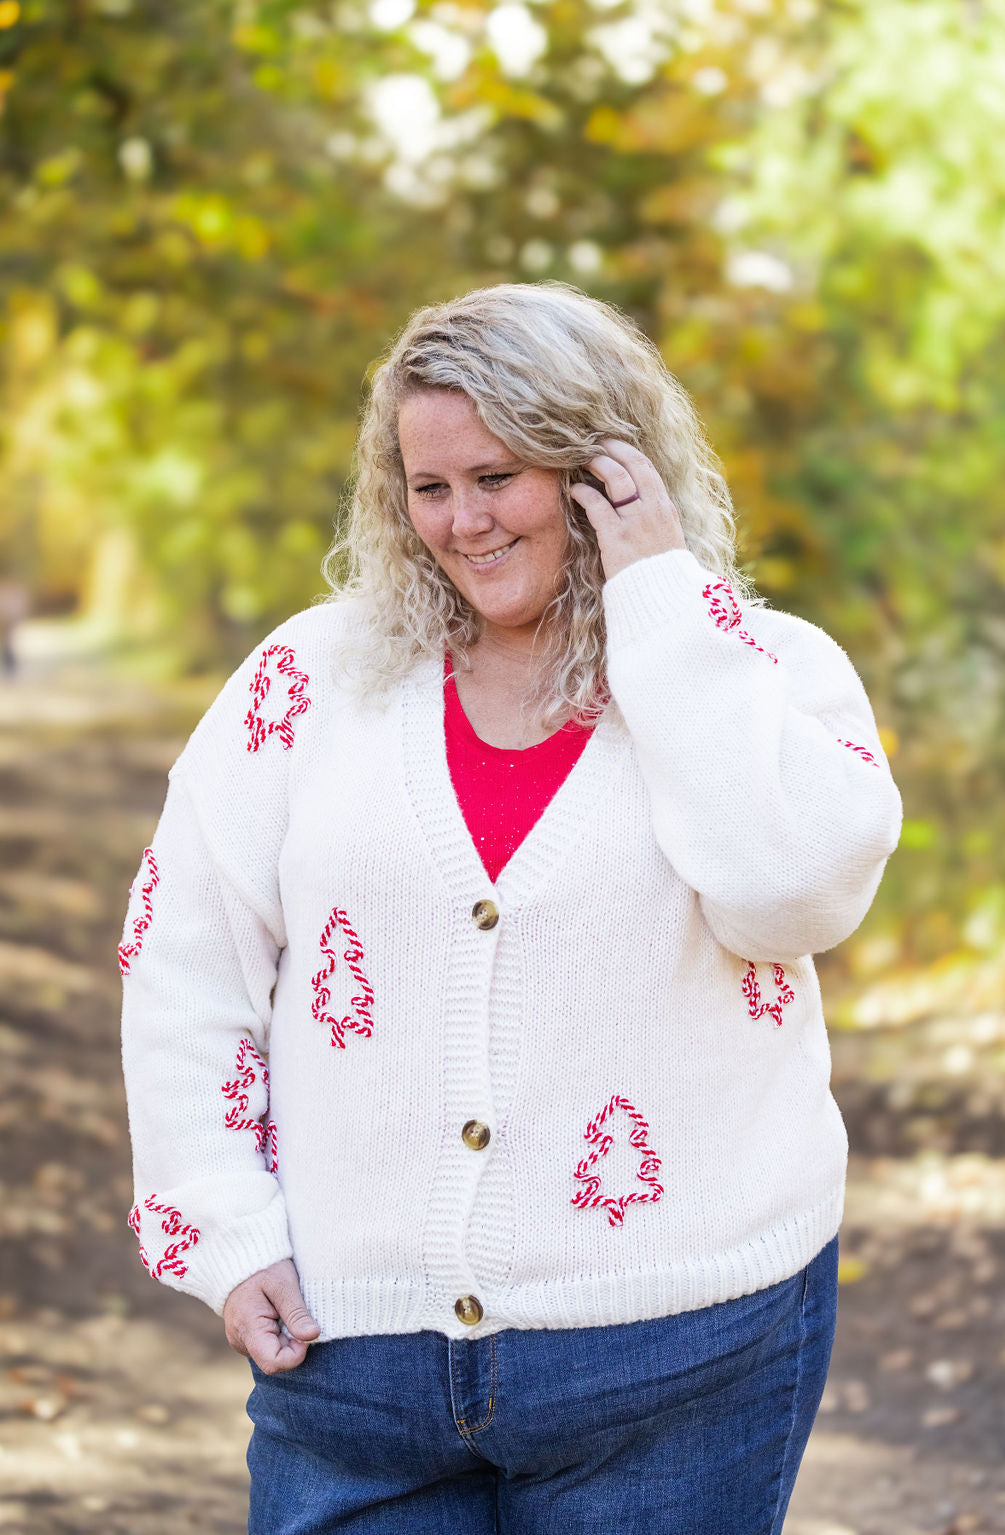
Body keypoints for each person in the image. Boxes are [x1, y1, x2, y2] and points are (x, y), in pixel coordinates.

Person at [119, 281, 902, 1534]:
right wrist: (219, 1222)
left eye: (498, 476)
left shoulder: (760, 671)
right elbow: (186, 958)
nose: (462, 522)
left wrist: (660, 606)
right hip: (355, 1367)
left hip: (674, 1358)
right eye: (429, 488)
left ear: (603, 465)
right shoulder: (307, 680)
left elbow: (788, 897)